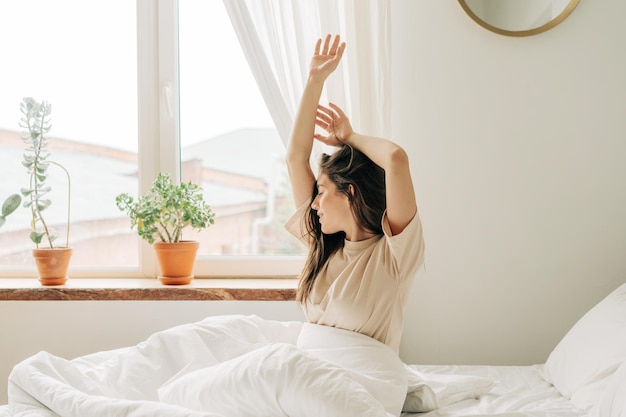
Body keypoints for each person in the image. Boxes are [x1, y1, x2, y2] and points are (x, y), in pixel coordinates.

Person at [285, 34, 425, 416]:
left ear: (351, 194)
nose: (314, 203)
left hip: (362, 390)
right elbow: (295, 158)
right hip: (310, 384)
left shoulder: (394, 255)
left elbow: (395, 159)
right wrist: (315, 80)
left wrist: (350, 137)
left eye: (324, 191)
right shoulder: (323, 244)